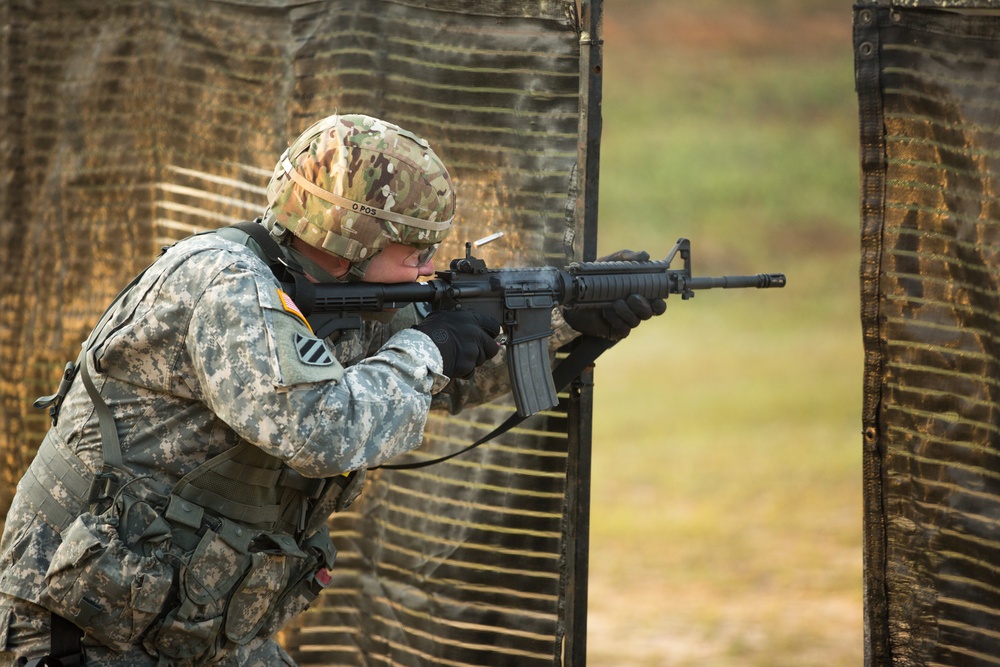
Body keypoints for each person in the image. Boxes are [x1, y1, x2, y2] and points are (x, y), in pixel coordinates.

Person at [0, 114, 664, 667]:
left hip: (190, 633)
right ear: (351, 236)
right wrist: (430, 345)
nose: (430, 267)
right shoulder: (224, 285)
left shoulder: (343, 298)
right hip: (79, 633)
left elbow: (420, 388)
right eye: (415, 248)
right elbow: (320, 428)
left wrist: (567, 321)